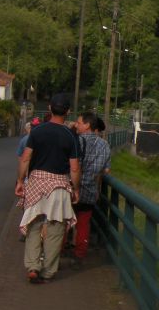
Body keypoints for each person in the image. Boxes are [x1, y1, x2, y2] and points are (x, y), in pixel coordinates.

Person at [14, 93, 80, 283]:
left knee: (34, 225)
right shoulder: (70, 135)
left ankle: (33, 266)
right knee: (56, 229)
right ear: (68, 111)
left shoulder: (37, 131)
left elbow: (25, 158)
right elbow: (74, 168)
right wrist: (75, 189)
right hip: (59, 185)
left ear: (50, 108)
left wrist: (20, 181)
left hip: (36, 182)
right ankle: (48, 271)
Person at [70, 111, 111, 266]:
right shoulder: (105, 144)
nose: (76, 124)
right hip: (91, 190)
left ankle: (59, 252)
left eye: (79, 122)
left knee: (64, 221)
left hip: (73, 189)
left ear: (87, 125)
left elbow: (73, 166)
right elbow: (106, 170)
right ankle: (79, 255)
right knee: (83, 223)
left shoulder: (76, 141)